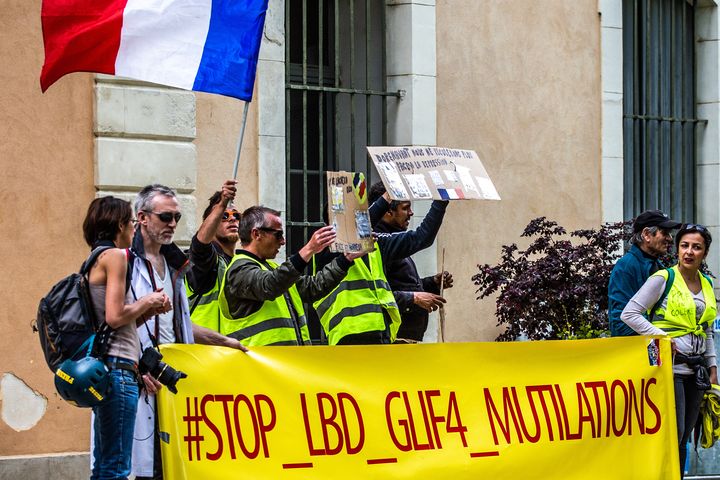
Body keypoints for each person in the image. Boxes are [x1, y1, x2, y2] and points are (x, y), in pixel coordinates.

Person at [130, 184, 244, 480]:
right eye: (165, 217)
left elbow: (179, 326)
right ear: (142, 217)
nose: (172, 224)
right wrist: (133, 368)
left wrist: (225, 341)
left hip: (174, 379)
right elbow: (112, 322)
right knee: (140, 468)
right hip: (138, 382)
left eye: (177, 218)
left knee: (174, 467)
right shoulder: (124, 262)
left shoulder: (174, 267)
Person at [83, 196, 170, 480]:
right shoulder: (117, 256)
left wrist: (146, 310)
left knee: (105, 463)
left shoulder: (92, 260)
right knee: (117, 466)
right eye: (131, 222)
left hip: (105, 366)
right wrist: (148, 300)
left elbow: (116, 322)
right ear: (119, 224)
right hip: (119, 370)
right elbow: (115, 316)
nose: (134, 228)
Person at [621, 224, 717, 478]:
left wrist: (713, 367)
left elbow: (705, 329)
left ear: (704, 253)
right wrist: (662, 336)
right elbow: (629, 314)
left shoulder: (706, 283)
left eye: (696, 247)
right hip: (669, 367)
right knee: (673, 433)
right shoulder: (663, 278)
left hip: (696, 371)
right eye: (684, 246)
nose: (689, 252)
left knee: (684, 436)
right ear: (677, 250)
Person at [313, 192, 449, 345]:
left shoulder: (376, 244)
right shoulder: (326, 249)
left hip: (381, 335)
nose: (362, 220)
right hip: (347, 338)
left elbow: (420, 238)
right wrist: (387, 197)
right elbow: (351, 229)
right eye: (358, 215)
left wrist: (441, 200)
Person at [218, 205, 361, 346]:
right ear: (256, 234)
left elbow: (312, 288)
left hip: (284, 364)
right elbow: (270, 285)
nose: (282, 241)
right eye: (278, 235)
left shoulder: (271, 269)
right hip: (258, 366)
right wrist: (308, 250)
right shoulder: (238, 270)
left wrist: (346, 259)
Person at [368, 181, 453, 343]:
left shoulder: (391, 238)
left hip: (405, 339)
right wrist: (441, 200)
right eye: (405, 207)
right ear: (387, 212)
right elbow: (375, 296)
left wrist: (431, 283)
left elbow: (396, 285)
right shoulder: (377, 243)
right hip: (392, 339)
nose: (411, 213)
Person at [608, 210, 681, 336]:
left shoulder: (658, 267)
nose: (670, 238)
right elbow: (620, 322)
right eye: (664, 233)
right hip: (636, 351)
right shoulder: (626, 267)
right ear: (646, 234)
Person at [185, 180, 240, 331]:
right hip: (203, 350)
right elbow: (200, 245)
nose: (232, 219)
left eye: (236, 215)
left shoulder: (240, 263)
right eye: (224, 216)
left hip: (229, 349)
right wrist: (221, 204)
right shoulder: (206, 260)